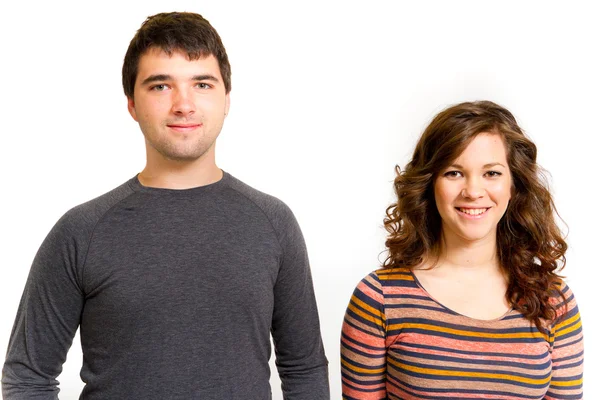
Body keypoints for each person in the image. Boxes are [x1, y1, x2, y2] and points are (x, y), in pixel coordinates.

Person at [2, 12, 329, 399]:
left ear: (227, 100)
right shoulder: (81, 231)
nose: (183, 104)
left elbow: (304, 369)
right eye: (160, 86)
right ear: (132, 104)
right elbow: (28, 376)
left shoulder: (274, 223)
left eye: (202, 84)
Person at [340, 101, 583, 399]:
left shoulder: (554, 300)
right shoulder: (379, 298)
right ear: (429, 185)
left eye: (491, 173)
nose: (473, 191)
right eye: (454, 173)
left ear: (513, 186)